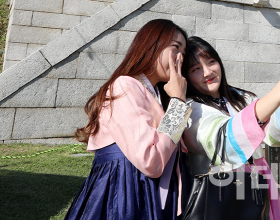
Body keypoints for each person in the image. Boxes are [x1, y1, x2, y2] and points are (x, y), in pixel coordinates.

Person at [65, 19, 192, 220]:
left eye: (183, 53)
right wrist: (178, 104)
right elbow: (151, 160)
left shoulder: (156, 96)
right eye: (175, 48)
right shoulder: (125, 85)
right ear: (152, 45)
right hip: (126, 192)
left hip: (146, 190)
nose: (180, 58)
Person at [181, 36, 280, 220]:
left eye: (211, 62)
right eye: (196, 69)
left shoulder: (241, 97)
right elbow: (225, 140)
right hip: (219, 189)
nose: (207, 72)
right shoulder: (190, 108)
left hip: (256, 178)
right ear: (186, 76)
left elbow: (274, 136)